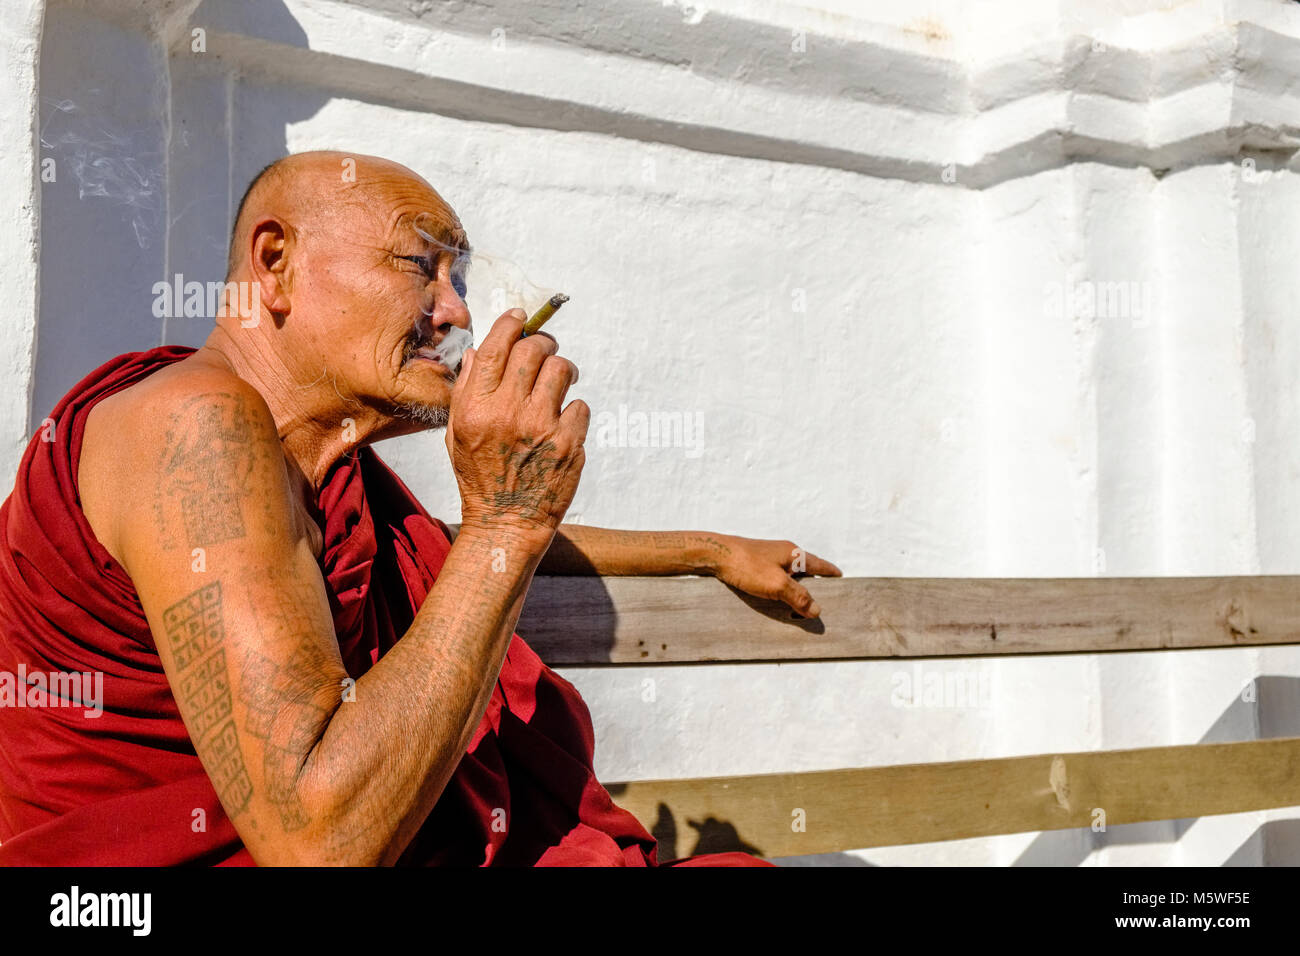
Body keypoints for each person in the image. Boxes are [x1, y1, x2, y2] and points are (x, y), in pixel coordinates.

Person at [0, 151, 841, 866]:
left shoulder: (319, 475)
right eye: (420, 266)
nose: (457, 311)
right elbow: (316, 842)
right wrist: (506, 524)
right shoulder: (196, 428)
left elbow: (436, 547)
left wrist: (706, 548)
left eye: (459, 276)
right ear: (275, 261)